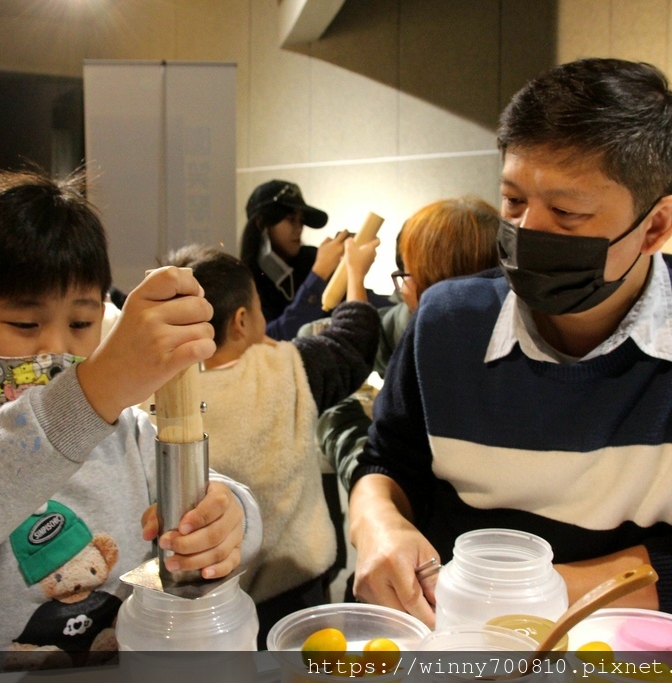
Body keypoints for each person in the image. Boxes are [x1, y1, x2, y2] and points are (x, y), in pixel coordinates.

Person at [347, 58, 672, 627]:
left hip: (629, 648)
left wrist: (517, 595)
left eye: (567, 213)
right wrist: (376, 522)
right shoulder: (449, 319)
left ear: (657, 224)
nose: (528, 233)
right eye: (514, 201)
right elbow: (390, 462)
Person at [0, 170, 261, 674]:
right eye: (25, 324)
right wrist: (91, 393)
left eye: (81, 323)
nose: (56, 349)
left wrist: (232, 515)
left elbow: (210, 496)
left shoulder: (125, 434)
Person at [165, 240, 379, 648]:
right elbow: (355, 340)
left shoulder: (151, 390)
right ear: (241, 321)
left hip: (197, 604)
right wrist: (355, 275)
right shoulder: (285, 370)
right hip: (293, 589)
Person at [318, 197, 500, 490]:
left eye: (408, 275)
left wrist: (333, 409)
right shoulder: (496, 334)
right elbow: (376, 337)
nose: (404, 290)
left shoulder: (440, 367)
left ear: (438, 282)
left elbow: (382, 478)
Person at [240, 179, 350, 340]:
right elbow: (269, 338)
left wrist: (355, 273)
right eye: (291, 219)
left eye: (301, 220)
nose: (299, 228)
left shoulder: (311, 258)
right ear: (262, 223)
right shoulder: (244, 281)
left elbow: (357, 310)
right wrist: (318, 275)